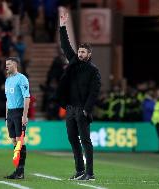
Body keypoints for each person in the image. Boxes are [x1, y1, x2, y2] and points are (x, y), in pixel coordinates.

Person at [57, 7, 101, 181]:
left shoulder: (93, 71)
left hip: (82, 110)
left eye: (83, 52)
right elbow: (65, 45)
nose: (80, 54)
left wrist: (86, 109)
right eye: (79, 51)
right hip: (70, 109)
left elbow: (94, 91)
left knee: (85, 141)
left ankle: (90, 173)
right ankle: (80, 170)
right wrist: (62, 26)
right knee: (72, 140)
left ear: (89, 54)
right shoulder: (74, 62)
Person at [4, 57, 30, 179]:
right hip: (10, 114)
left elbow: (27, 97)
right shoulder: (8, 80)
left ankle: (20, 171)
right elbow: (7, 100)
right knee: (14, 141)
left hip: (19, 112)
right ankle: (17, 170)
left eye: (8, 64)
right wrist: (6, 117)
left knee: (20, 141)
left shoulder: (22, 79)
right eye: (6, 64)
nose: (6, 66)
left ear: (15, 65)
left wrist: (24, 115)